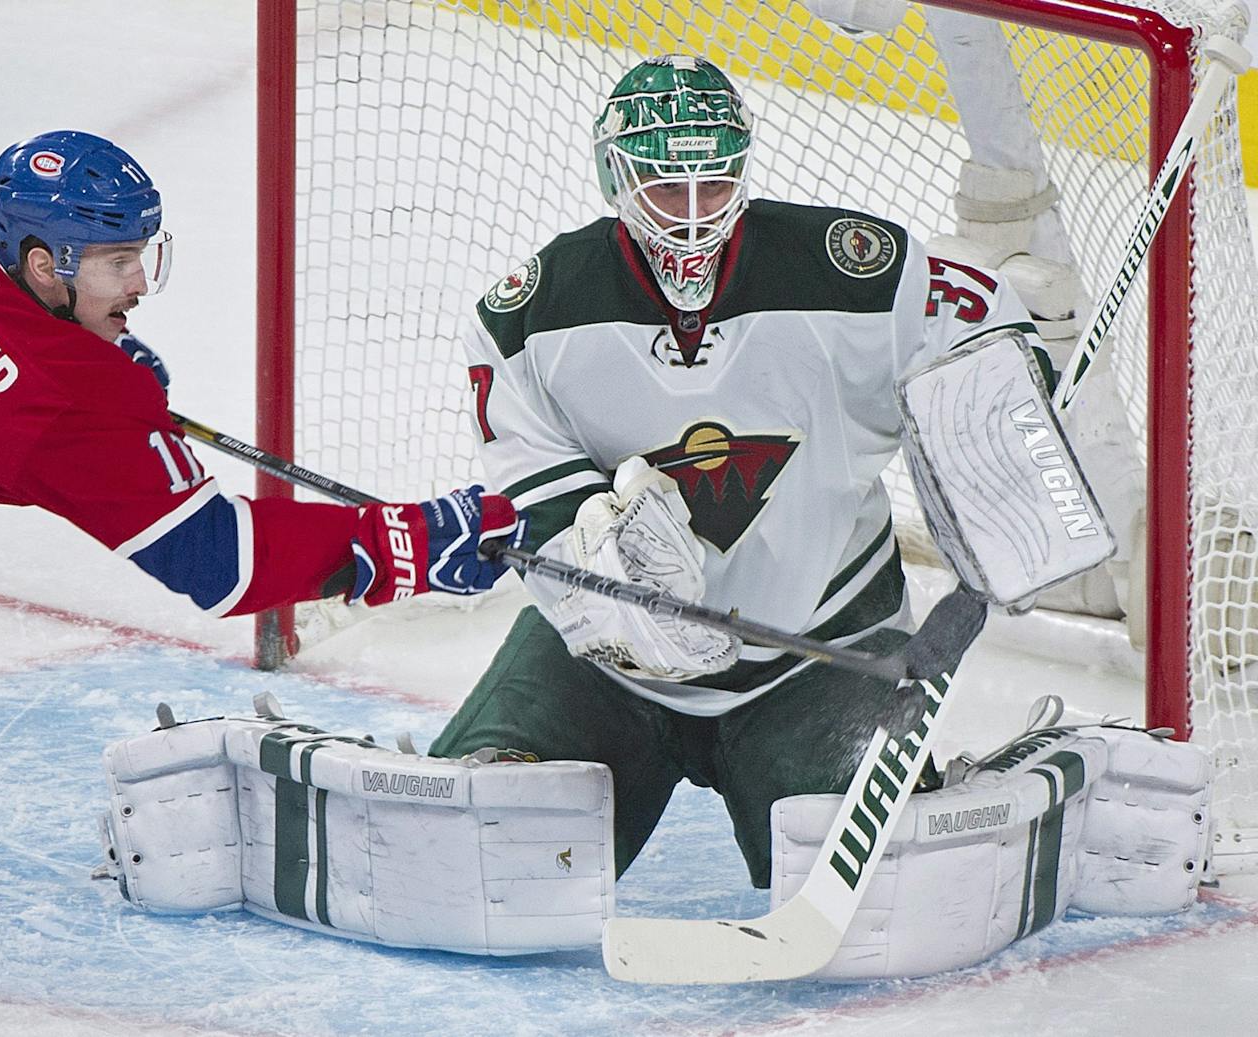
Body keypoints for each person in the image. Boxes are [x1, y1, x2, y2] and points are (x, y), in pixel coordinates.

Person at [0, 130, 518, 1008]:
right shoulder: (62, 401)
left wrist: (101, 369)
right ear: (45, 263)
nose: (141, 284)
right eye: (119, 261)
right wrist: (400, 544)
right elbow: (219, 565)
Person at [431, 56, 1056, 893]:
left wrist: (1008, 406)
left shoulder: (852, 274)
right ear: (616, 175)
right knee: (483, 856)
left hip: (825, 648)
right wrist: (609, 567)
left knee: (871, 886)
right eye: (667, 190)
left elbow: (993, 326)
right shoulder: (529, 323)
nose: (693, 219)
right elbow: (538, 499)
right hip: (611, 665)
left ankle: (1020, 775)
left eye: (714, 185)